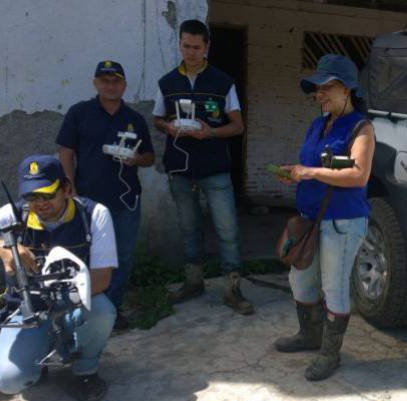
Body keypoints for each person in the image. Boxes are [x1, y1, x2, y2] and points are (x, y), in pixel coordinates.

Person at [0, 155, 118, 401]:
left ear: (66, 189)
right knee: (7, 380)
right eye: (31, 196)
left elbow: (101, 279)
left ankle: (85, 370)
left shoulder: (93, 214)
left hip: (75, 300)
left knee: (102, 310)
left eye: (48, 194)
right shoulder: (13, 214)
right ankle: (39, 355)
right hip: (28, 308)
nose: (40, 203)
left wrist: (58, 296)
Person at [272, 54, 375, 381]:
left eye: (327, 87)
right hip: (309, 220)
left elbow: (358, 175)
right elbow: (314, 167)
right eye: (316, 88)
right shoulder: (318, 124)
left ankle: (330, 353)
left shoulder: (362, 127)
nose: (319, 94)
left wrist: (311, 171)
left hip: (341, 223)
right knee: (300, 280)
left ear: (348, 89)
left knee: (334, 288)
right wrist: (295, 174)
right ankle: (309, 335)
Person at [152, 19, 254, 315]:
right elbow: (157, 118)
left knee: (228, 229)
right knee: (189, 228)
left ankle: (232, 289)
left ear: (207, 47)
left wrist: (210, 132)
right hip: (180, 167)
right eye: (186, 46)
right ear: (180, 45)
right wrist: (167, 127)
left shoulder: (223, 82)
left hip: (215, 168)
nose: (191, 52)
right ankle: (193, 282)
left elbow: (237, 126)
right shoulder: (167, 82)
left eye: (197, 47)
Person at [57, 60, 155, 330]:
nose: (110, 86)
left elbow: (150, 157)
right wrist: (70, 188)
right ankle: (83, 314)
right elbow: (65, 152)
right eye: (105, 81)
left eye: (116, 81)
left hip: (126, 200)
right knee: (85, 258)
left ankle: (112, 310)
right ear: (96, 83)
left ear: (124, 84)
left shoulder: (134, 119)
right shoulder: (80, 113)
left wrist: (136, 159)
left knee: (121, 258)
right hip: (87, 200)